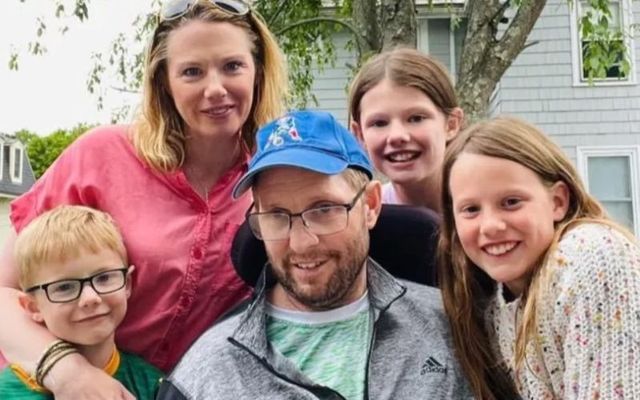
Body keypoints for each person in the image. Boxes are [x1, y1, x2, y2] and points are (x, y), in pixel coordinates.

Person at [0, 0, 287, 398]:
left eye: (232, 66)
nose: (215, 88)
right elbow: (4, 290)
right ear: (164, 82)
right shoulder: (101, 155)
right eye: (191, 71)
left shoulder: (273, 180)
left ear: (258, 71)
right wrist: (67, 372)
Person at [157, 110, 471, 400]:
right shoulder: (207, 374)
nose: (301, 243)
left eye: (324, 210)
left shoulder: (451, 331)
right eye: (277, 215)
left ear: (371, 205)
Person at [438, 116, 640, 399]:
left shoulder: (592, 256)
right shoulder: (498, 307)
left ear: (557, 201)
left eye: (511, 202)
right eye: (471, 209)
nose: (490, 225)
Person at [0, 205, 162, 399]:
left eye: (104, 278)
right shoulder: (7, 392)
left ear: (127, 283)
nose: (90, 298)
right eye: (65, 287)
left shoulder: (152, 385)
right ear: (32, 306)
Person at [348, 48, 464, 213]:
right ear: (360, 135)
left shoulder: (491, 207)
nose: (397, 136)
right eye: (379, 123)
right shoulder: (365, 219)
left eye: (416, 118)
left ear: (451, 124)